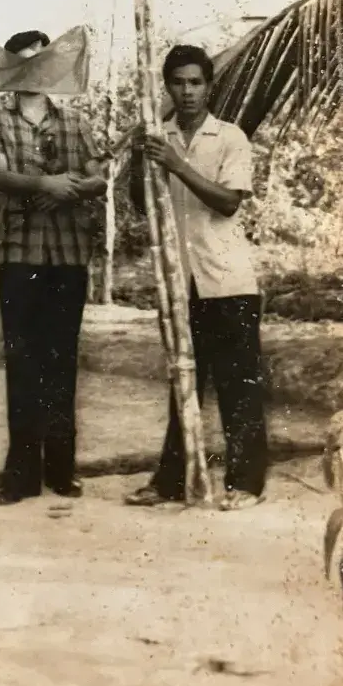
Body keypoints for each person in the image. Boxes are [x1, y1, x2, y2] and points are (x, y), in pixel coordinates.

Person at [124, 45, 268, 512]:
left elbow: (228, 202)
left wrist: (177, 165)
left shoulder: (229, 137)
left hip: (227, 281)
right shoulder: (159, 137)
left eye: (195, 82)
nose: (187, 91)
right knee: (181, 382)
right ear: (167, 86)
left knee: (237, 385)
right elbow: (141, 202)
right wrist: (139, 159)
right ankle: (170, 481)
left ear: (209, 86)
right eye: (178, 83)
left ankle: (246, 483)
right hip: (178, 281)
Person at [0, 31, 107, 505]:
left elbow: (98, 177)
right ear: (11, 68)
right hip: (19, 254)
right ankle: (21, 475)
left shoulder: (75, 120)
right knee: (23, 362)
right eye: (23, 62)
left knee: (62, 359)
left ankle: (62, 470)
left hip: (69, 253)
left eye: (40, 60)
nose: (33, 70)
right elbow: (1, 176)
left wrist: (69, 188)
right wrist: (46, 185)